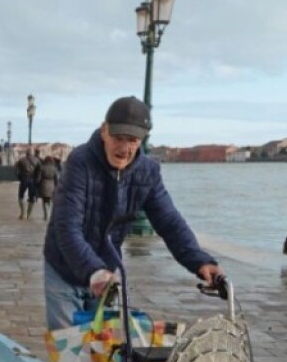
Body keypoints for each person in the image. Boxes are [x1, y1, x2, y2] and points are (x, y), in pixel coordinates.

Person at [43, 96, 223, 332]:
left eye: (133, 140)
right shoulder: (80, 162)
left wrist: (200, 261)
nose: (125, 148)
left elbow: (169, 222)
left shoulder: (147, 172)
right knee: (71, 354)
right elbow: (67, 227)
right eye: (118, 138)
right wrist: (93, 271)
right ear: (104, 131)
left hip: (107, 269)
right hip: (65, 269)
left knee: (107, 352)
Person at [15, 147, 41, 219]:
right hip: (33, 180)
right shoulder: (37, 160)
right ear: (32, 153)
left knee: (20, 197)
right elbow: (39, 171)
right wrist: (37, 180)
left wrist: (19, 178)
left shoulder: (21, 160)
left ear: (26, 153)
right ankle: (29, 215)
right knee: (32, 198)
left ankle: (22, 213)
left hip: (24, 179)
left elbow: (16, 170)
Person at [35, 155, 60, 221]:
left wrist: (36, 183)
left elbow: (38, 179)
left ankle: (46, 215)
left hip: (43, 185)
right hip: (52, 186)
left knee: (44, 201)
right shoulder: (54, 168)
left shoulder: (42, 168)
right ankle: (51, 215)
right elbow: (57, 179)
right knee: (50, 201)